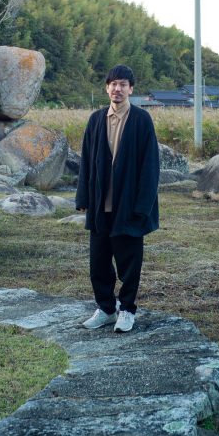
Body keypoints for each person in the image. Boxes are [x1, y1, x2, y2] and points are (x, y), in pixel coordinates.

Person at [75, 64, 160, 333]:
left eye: (123, 84)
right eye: (113, 84)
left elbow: (150, 166)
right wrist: (83, 198)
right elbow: (86, 161)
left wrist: (143, 206)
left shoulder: (141, 120)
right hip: (101, 205)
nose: (117, 89)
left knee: (129, 263)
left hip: (129, 206)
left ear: (131, 89)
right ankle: (106, 309)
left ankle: (127, 310)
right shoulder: (96, 119)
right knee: (98, 262)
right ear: (107, 88)